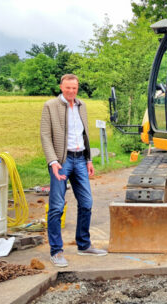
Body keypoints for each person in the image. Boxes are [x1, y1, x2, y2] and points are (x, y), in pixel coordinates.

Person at [40, 74, 107, 267]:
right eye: (68, 88)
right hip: (62, 161)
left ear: (78, 88)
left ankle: (84, 245)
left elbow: (83, 134)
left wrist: (88, 159)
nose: (71, 91)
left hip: (80, 159)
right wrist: (53, 161)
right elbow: (45, 136)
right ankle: (56, 251)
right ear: (61, 87)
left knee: (87, 202)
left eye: (74, 88)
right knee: (57, 206)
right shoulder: (50, 106)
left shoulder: (81, 105)